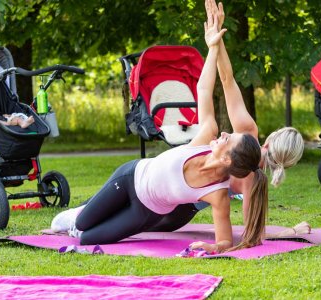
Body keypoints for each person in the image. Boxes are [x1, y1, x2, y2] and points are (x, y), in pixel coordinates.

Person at [52, 6, 264, 253]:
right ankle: (81, 213)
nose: (225, 134)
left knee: (87, 239)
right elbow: (204, 90)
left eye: (229, 139)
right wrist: (213, 48)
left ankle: (90, 216)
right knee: (79, 224)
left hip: (147, 211)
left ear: (227, 157)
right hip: (131, 178)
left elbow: (225, 241)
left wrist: (214, 246)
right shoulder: (206, 136)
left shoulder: (217, 194)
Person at [143, 0, 305, 233]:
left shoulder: (247, 131)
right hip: (179, 212)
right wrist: (291, 231)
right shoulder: (256, 182)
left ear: (270, 140)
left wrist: (217, 41)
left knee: (114, 210)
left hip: (166, 185)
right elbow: (252, 230)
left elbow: (227, 80)